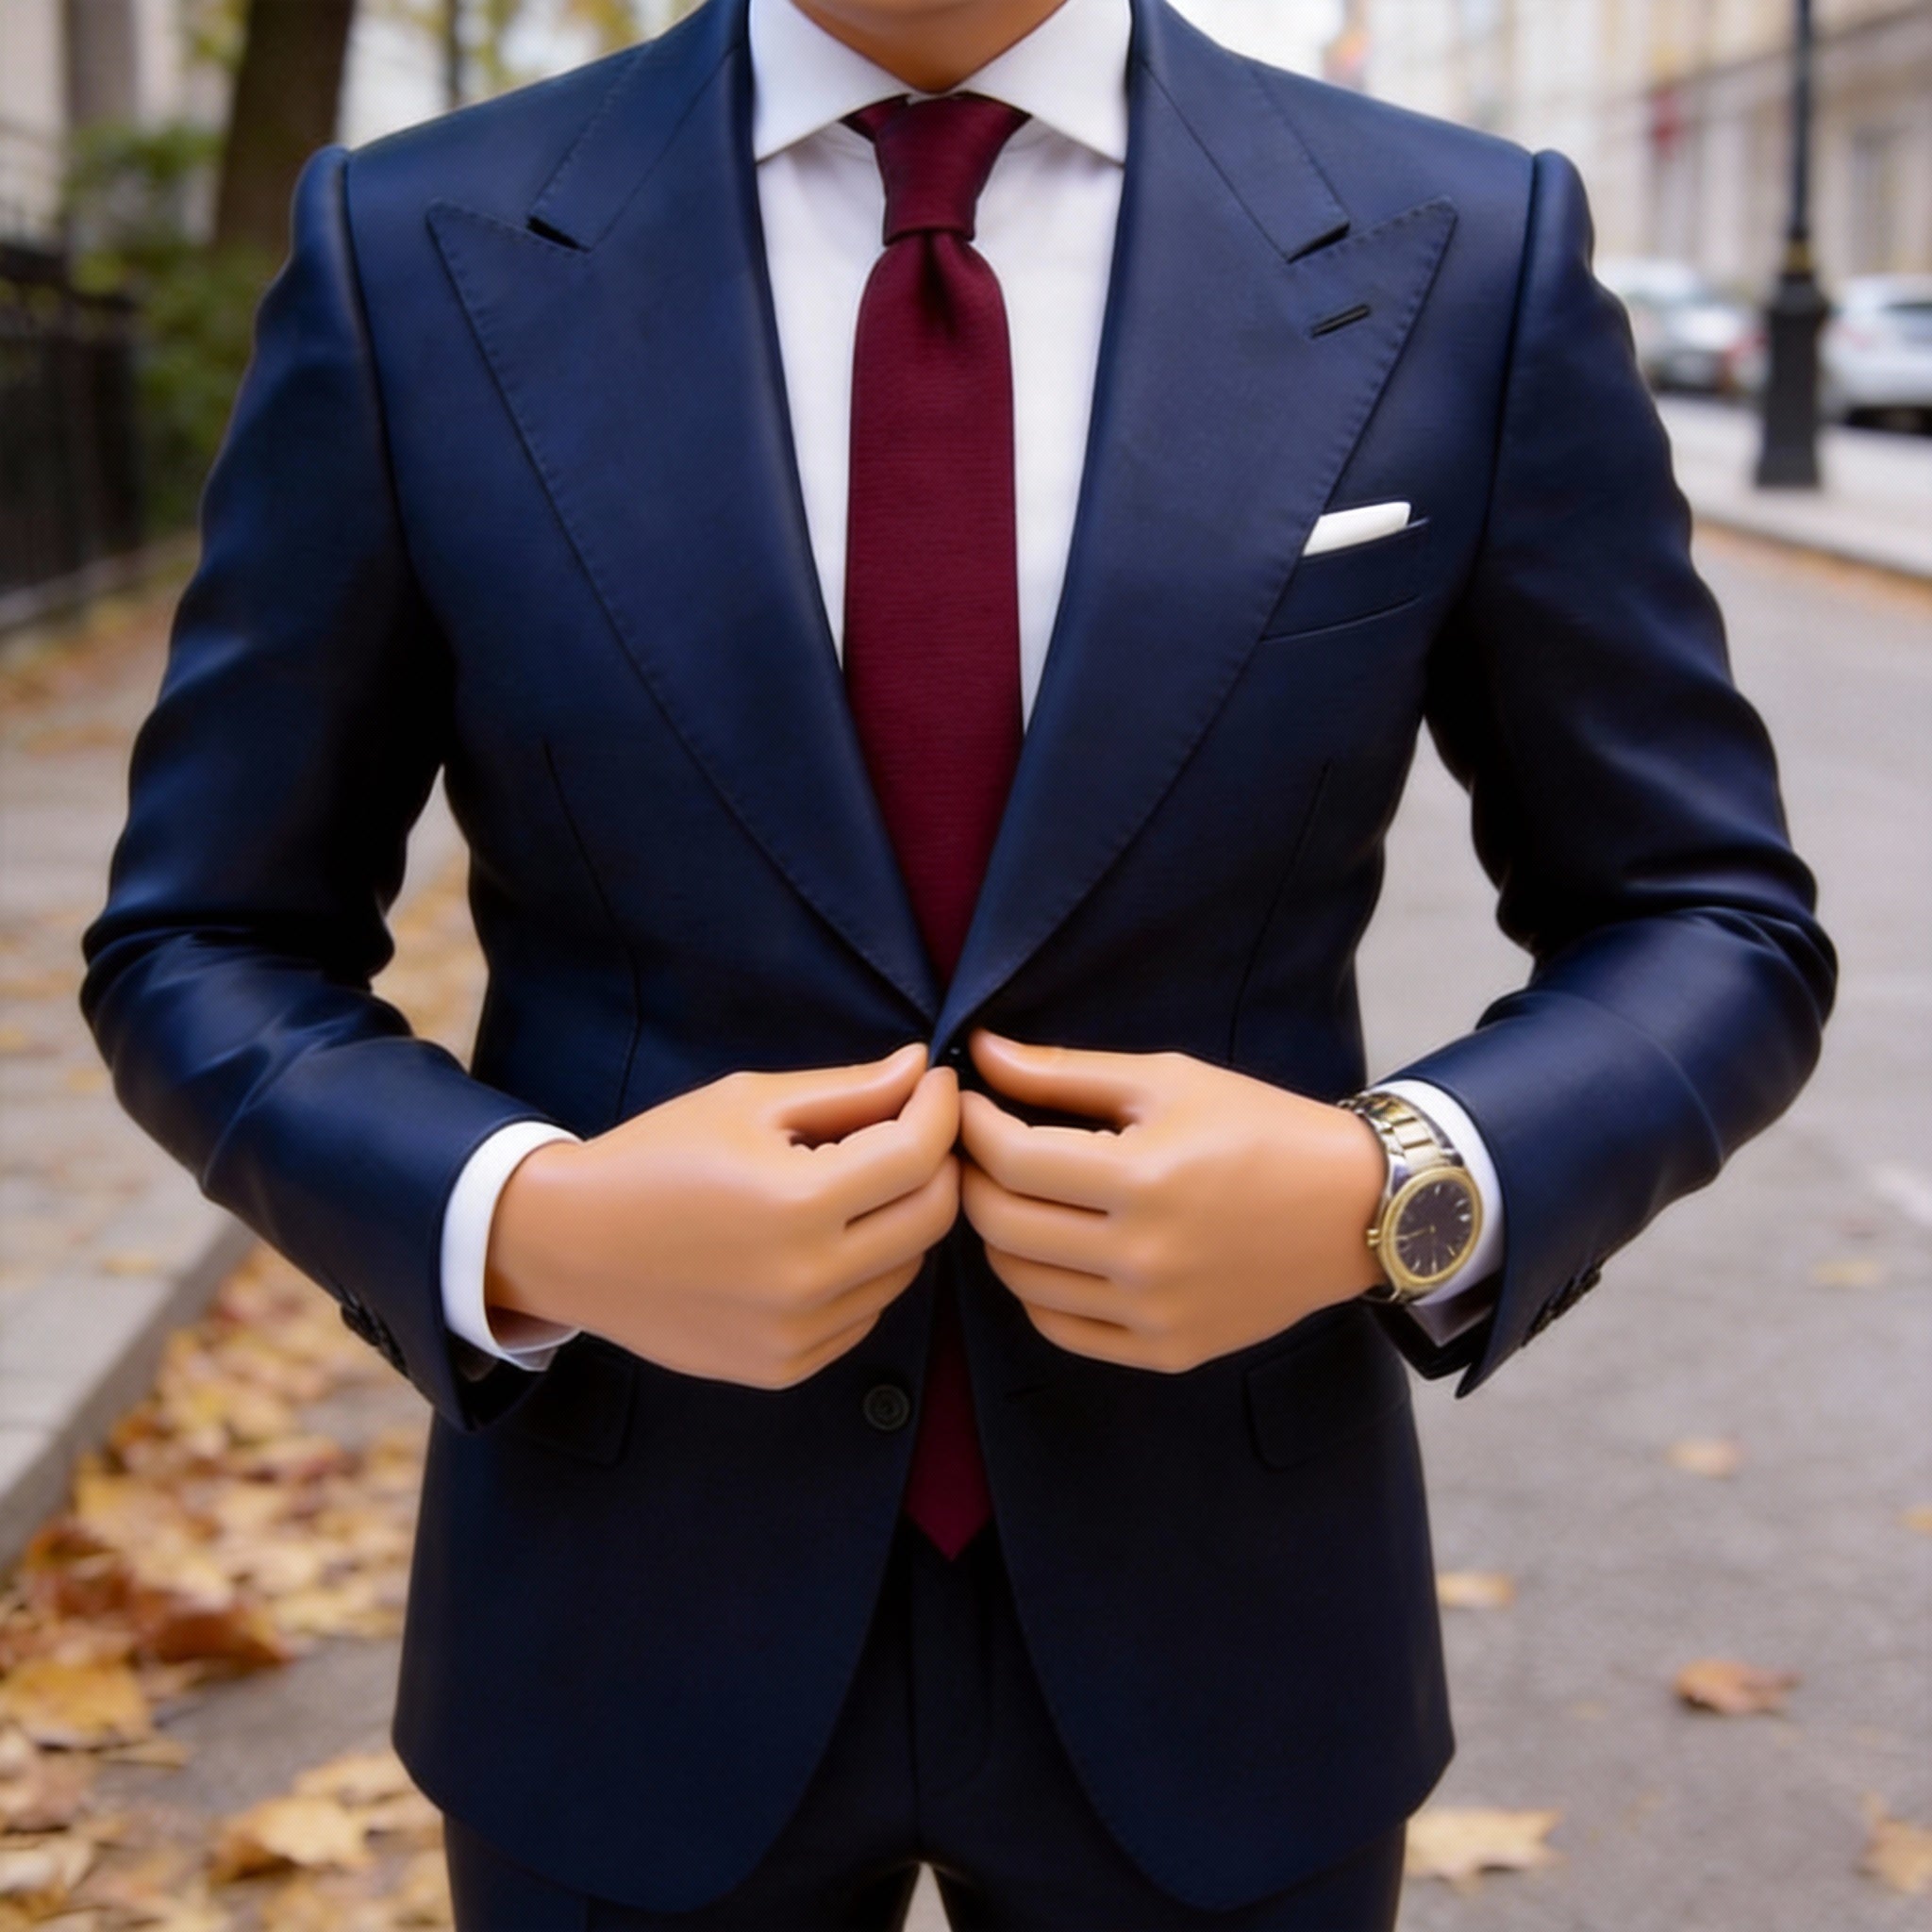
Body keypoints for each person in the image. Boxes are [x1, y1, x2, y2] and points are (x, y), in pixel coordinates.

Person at [78, 0, 1835, 1924]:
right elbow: (204, 935)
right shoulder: (414, 245)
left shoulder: (1459, 243)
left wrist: (1382, 1187)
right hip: (619, 1617)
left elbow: (1705, 916)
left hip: (1226, 1629)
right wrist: (534, 1222)